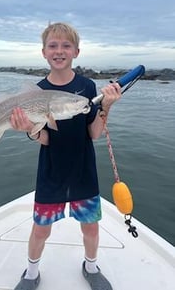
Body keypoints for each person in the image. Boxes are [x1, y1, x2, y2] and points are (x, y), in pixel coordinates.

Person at [10, 22, 121, 290]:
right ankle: (31, 273)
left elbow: (94, 133)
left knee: (91, 227)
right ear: (44, 52)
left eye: (66, 46)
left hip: (84, 170)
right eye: (53, 45)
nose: (59, 51)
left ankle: (91, 267)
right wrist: (30, 130)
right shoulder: (35, 92)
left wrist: (106, 106)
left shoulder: (87, 85)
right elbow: (45, 138)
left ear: (76, 52)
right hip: (51, 172)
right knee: (41, 229)